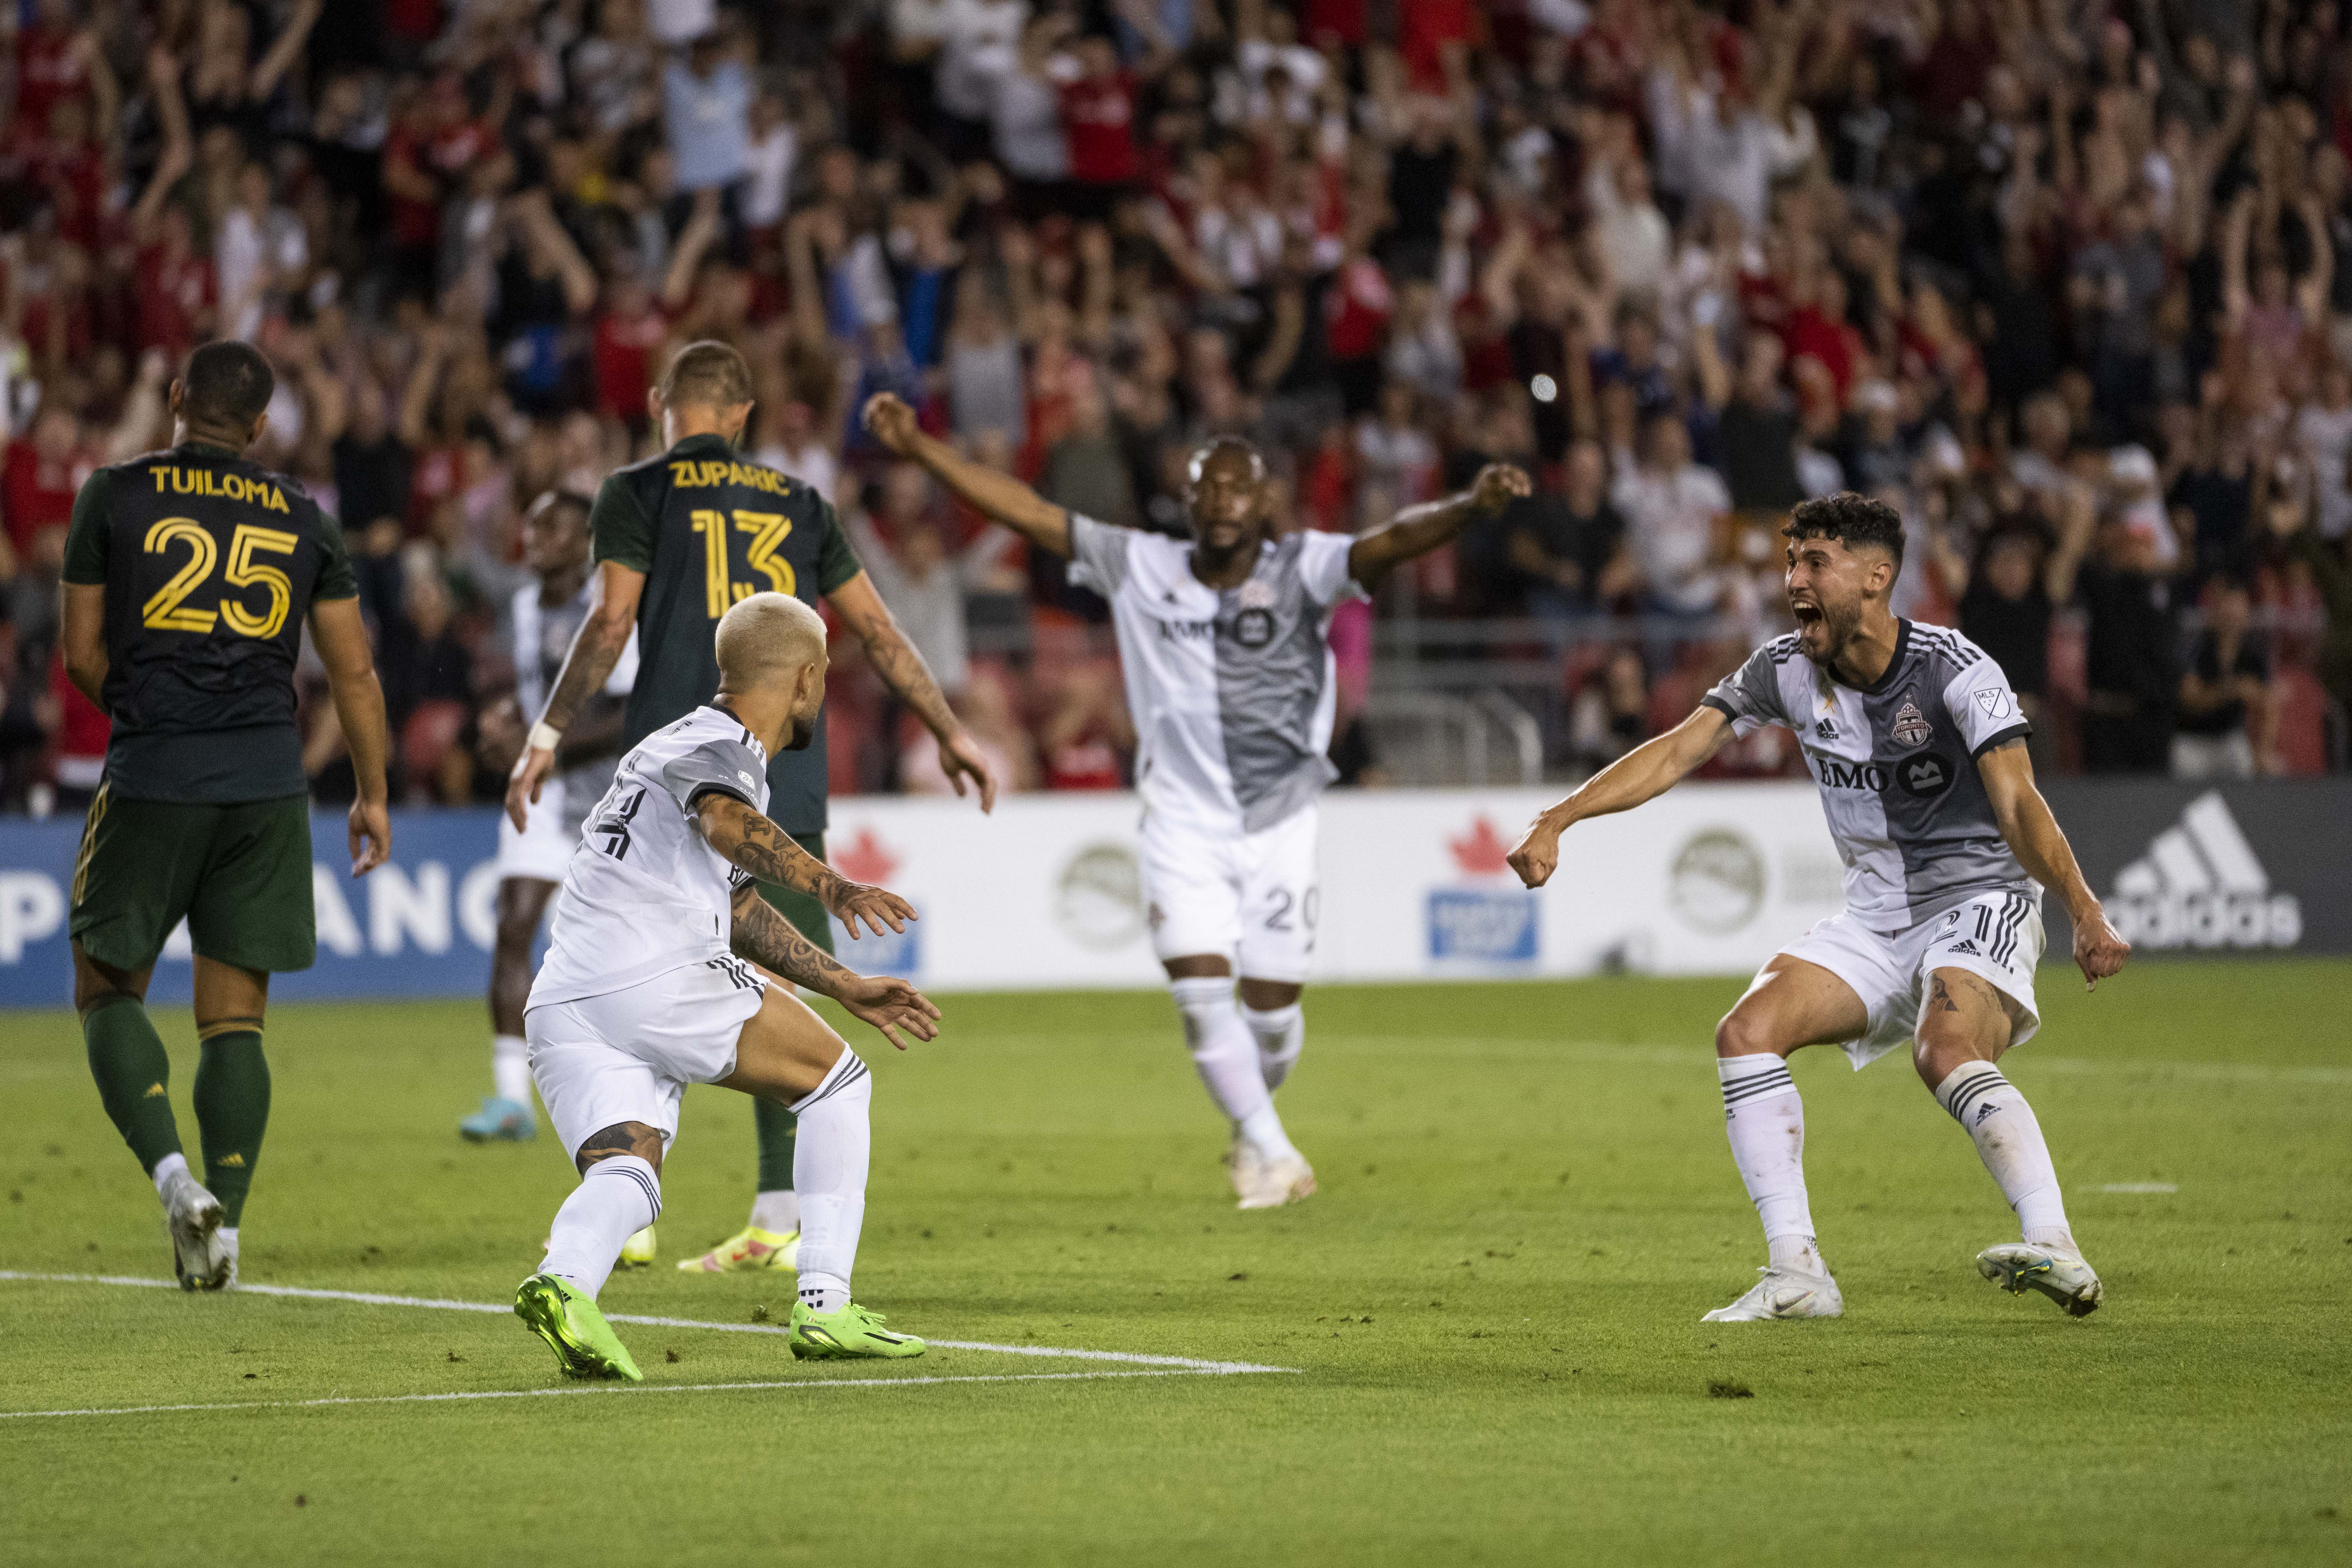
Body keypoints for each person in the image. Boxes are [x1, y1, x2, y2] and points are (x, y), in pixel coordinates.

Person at [862, 388, 1530, 1208]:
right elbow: (1028, 511)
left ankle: (1253, 1124)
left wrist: (1472, 503)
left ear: (1264, 503)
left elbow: (1391, 542)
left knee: (1274, 1016)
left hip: (1279, 818)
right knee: (1200, 992)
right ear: (1188, 501)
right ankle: (1275, 1152)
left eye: (1237, 490)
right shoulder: (1143, 564)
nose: (1221, 504)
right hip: (1179, 820)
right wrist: (925, 451)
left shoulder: (1305, 566)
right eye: (1207, 490)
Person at [1506, 493, 2130, 1322]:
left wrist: (2083, 908)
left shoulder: (1954, 669)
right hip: (1873, 920)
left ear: (1875, 577)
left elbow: (2018, 803)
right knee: (1745, 1034)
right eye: (1789, 560)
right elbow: (1676, 751)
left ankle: (2053, 1242)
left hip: (1976, 898)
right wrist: (1558, 818)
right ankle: (1796, 1272)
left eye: (1813, 563)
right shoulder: (1781, 670)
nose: (1791, 579)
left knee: (1941, 1051)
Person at [507, 340, 996, 1275]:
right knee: (740, 976)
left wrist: (546, 735)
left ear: (662, 405)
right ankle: (742, 1211)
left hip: (673, 758)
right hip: (781, 774)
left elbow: (611, 621)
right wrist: (948, 727)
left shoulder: (637, 491)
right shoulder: (802, 503)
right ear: (742, 416)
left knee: (664, 951)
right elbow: (878, 629)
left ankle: (701, 1204)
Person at [516, 592, 941, 1380]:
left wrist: (843, 982)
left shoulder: (669, 743)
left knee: (628, 1171)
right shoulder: (727, 747)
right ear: (808, 679)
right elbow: (722, 822)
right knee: (837, 1086)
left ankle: (566, 1283)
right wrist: (833, 888)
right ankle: (825, 1304)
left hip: (566, 999)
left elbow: (735, 903)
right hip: (653, 973)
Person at [58, 339, 392, 1290]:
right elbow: (354, 672)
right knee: (234, 1021)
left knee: (105, 988)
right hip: (268, 783)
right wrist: (369, 792)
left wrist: (156, 715)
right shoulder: (303, 517)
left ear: (173, 400)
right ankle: (229, 1230)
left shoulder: (113, 495)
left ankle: (175, 1180)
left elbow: (82, 655)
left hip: (158, 768)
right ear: (259, 428)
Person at [461, 492, 640, 1144]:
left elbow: (626, 715)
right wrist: (508, 716)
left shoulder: (614, 608)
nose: (533, 534)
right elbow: (542, 690)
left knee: (617, 954)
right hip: (540, 792)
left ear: (584, 541)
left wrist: (545, 747)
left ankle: (627, 1089)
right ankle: (511, 1100)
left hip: (607, 798)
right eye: (531, 522)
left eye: (551, 526)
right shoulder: (523, 607)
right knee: (515, 927)